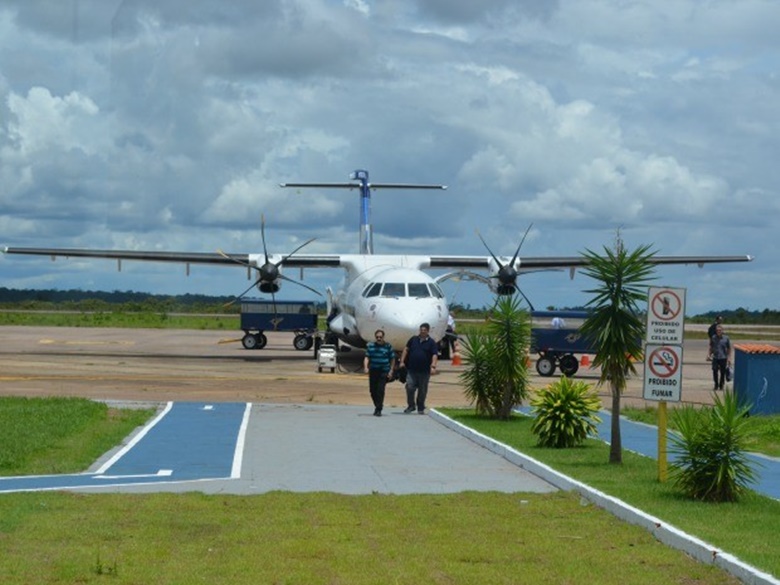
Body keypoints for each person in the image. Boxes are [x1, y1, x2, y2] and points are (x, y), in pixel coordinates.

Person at [399, 322, 439, 414]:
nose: (422, 332)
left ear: (428, 331)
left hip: (424, 371)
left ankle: (420, 407)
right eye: (421, 330)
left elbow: (434, 354)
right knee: (409, 387)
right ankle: (411, 405)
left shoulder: (431, 342)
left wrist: (433, 366)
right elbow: (406, 349)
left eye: (424, 330)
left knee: (422, 390)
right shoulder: (413, 339)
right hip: (412, 369)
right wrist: (402, 361)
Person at [363, 329, 395, 416]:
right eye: (377, 337)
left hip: (383, 371)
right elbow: (367, 357)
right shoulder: (371, 346)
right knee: (373, 390)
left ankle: (379, 409)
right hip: (373, 371)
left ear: (383, 337)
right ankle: (378, 405)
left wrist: (391, 370)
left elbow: (392, 359)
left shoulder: (388, 346)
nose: (379, 338)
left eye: (380, 337)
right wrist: (366, 367)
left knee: (380, 390)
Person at [709, 323, 732, 391]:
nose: (718, 331)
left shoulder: (726, 338)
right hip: (715, 357)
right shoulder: (713, 337)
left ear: (722, 331)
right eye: (717, 330)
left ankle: (721, 385)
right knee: (714, 370)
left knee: (723, 372)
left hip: (723, 357)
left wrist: (729, 358)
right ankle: (716, 384)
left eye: (720, 330)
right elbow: (711, 346)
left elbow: (729, 348)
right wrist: (709, 354)